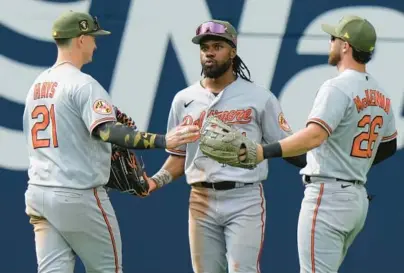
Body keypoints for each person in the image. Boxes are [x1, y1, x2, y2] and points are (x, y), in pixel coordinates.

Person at [22, 11, 199, 273]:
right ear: (80, 39)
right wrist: (164, 140)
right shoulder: (83, 84)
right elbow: (107, 131)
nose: (96, 44)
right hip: (77, 194)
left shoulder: (37, 86)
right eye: (93, 37)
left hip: (38, 193)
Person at [145, 20, 306, 273]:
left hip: (244, 197)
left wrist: (317, 164)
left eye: (217, 46)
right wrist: (156, 180)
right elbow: (179, 156)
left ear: (232, 51)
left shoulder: (259, 97)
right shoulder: (184, 99)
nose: (209, 52)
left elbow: (288, 146)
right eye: (204, 47)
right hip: (200, 198)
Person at [247, 15, 397, 273]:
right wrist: (350, 164)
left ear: (346, 46)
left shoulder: (336, 87)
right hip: (355, 199)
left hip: (328, 198)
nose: (330, 43)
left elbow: (315, 136)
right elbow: (388, 146)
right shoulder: (381, 93)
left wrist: (264, 151)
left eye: (333, 38)